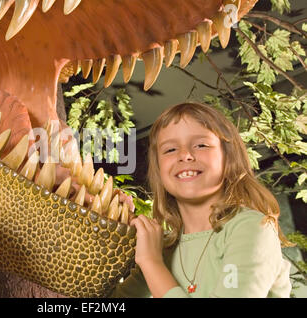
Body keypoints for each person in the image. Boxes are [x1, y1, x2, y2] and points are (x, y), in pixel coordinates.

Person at [110, 102, 293, 298]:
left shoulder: (252, 228)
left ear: (228, 157)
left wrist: (151, 263)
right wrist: (109, 227)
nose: (185, 155)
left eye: (201, 145)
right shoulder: (164, 249)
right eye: (170, 150)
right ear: (158, 169)